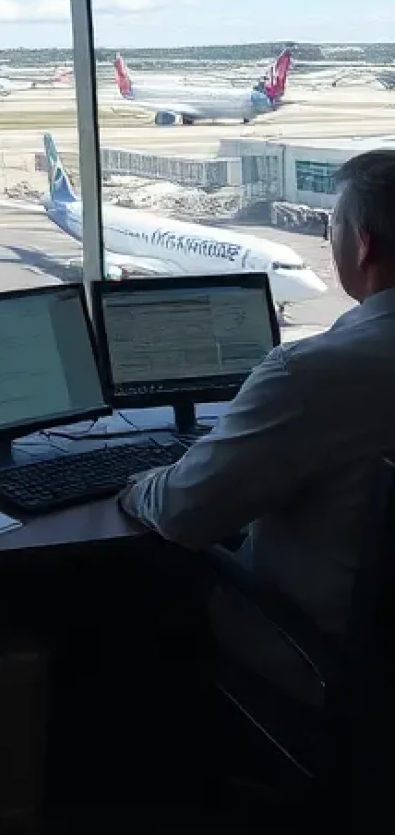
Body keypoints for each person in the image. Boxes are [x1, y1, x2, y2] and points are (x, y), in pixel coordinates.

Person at [119, 149, 395, 702]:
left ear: (362, 243)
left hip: (321, 662)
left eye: (331, 225)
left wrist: (137, 487)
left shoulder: (314, 373)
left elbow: (182, 513)